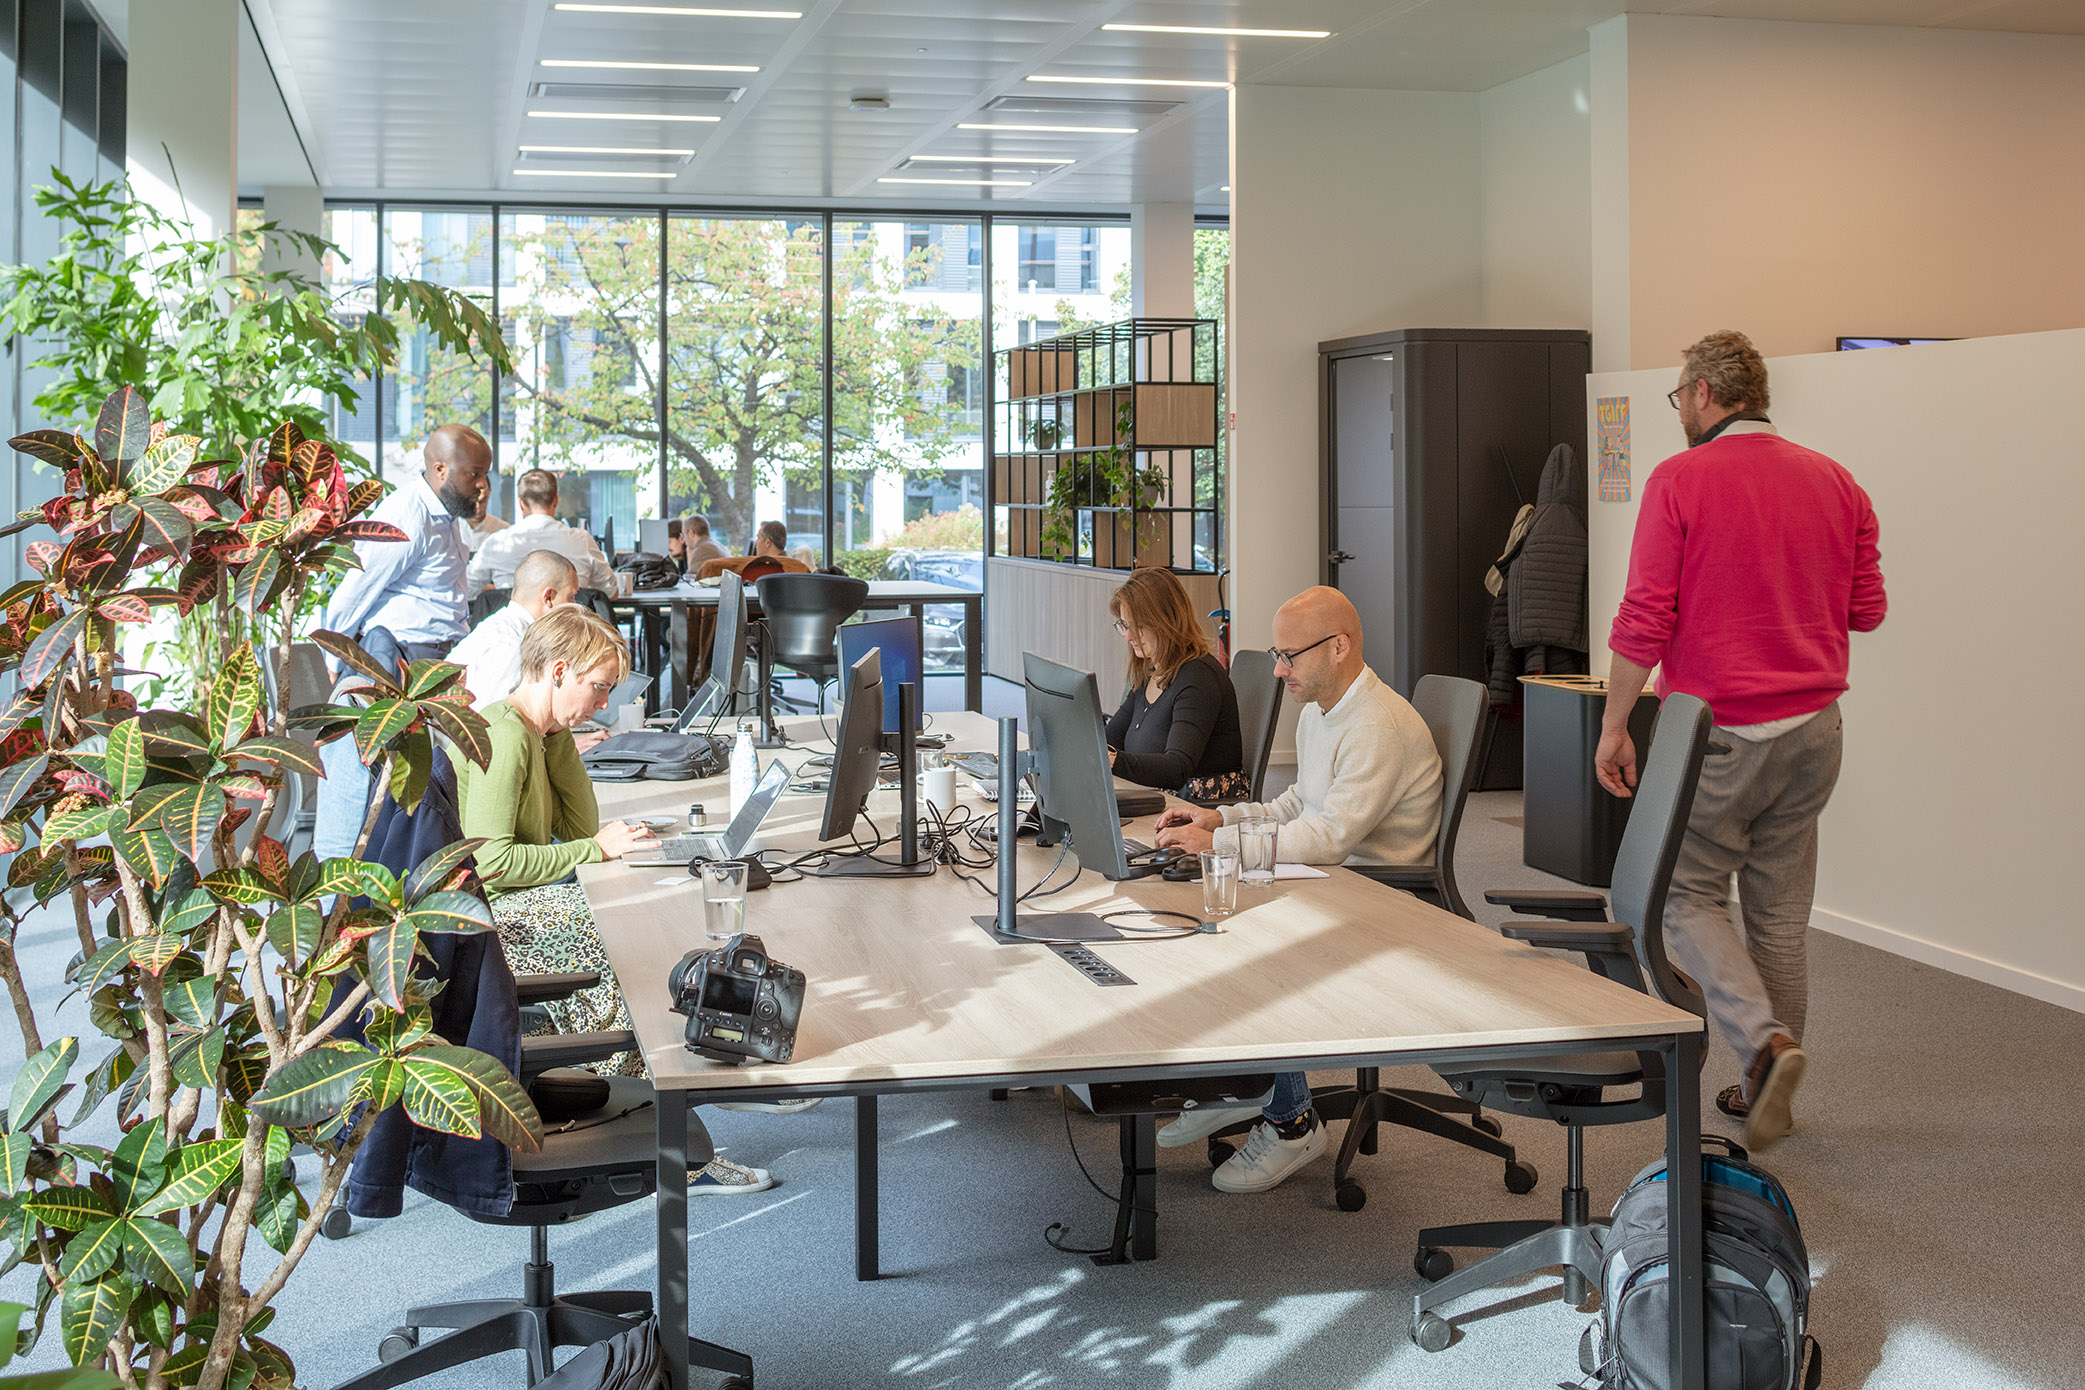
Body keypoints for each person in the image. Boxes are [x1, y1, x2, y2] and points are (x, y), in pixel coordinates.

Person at [1597, 329, 1887, 1153]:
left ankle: (1763, 1046)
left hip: (1720, 729)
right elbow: (1866, 611)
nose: (1679, 411)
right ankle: (1766, 1088)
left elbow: (1644, 616)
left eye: (1677, 398)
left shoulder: (1680, 478)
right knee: (1779, 915)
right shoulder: (1837, 481)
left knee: (1681, 896)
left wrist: (1615, 723)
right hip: (1815, 731)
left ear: (1701, 394)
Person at [456, 606, 777, 1195]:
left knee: (647, 918)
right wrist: (595, 850)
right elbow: (491, 863)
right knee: (626, 945)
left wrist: (560, 738)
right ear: (558, 671)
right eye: (598, 687)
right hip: (492, 920)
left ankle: (706, 1076)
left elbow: (581, 825)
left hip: (518, 900)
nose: (604, 704)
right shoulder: (505, 736)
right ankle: (667, 1145)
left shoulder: (535, 733)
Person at [1150, 586, 1443, 1193]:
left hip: (1380, 899)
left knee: (1247, 942)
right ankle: (1237, 1085)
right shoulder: (1321, 710)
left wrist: (1220, 844)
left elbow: (1329, 837)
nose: (1278, 670)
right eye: (1276, 656)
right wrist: (1220, 818)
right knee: (1201, 915)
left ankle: (1292, 1123)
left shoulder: (1375, 725)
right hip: (1333, 883)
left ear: (1339, 647)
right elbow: (1296, 805)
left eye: (1289, 656)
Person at [322, 423, 490, 660]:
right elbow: (355, 592)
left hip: (441, 652)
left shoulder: (445, 513)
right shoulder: (407, 517)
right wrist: (335, 661)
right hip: (406, 655)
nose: (483, 485)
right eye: (474, 474)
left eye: (485, 474)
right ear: (441, 470)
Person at [1103, 567, 1247, 802]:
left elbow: (1176, 768)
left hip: (1198, 804)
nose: (1129, 637)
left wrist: (1113, 760)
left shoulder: (1198, 677)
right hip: (1160, 796)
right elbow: (1110, 739)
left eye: (1138, 626)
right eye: (1125, 626)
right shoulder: (1151, 671)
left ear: (1166, 622)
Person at [448, 549, 580, 710]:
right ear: (548, 598)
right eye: (571, 596)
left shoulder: (500, 627)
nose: (575, 606)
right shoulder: (513, 646)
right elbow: (491, 718)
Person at [467, 467, 617, 595]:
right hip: (568, 621)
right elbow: (611, 592)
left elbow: (467, 590)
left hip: (514, 621)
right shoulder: (582, 541)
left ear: (521, 504)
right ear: (556, 500)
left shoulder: (497, 543)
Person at [462, 475, 508, 554]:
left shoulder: (504, 531)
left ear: (489, 492)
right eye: (472, 502)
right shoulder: (451, 530)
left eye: (482, 501)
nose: (477, 507)